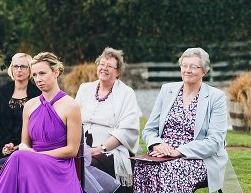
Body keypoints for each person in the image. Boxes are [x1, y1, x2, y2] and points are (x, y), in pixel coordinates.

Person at [134, 47, 229, 193]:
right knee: (142, 167)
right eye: (184, 66)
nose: (187, 70)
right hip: (163, 153)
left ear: (204, 71)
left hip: (198, 157)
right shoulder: (167, 90)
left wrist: (179, 151)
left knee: (169, 170)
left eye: (193, 67)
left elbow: (215, 141)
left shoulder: (216, 97)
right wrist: (157, 145)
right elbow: (149, 130)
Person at [0, 52, 83, 193]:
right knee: (17, 156)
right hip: (31, 163)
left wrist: (38, 155)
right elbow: (25, 144)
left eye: (42, 73)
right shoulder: (30, 105)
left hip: (58, 166)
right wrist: (20, 148)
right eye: (34, 75)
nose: (38, 79)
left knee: (17, 157)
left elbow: (72, 150)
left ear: (56, 72)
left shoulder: (71, 105)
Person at [75, 47, 141, 192]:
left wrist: (100, 149)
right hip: (81, 145)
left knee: (86, 166)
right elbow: (73, 119)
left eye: (109, 66)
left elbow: (126, 130)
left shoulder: (126, 93)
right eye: (102, 64)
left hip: (109, 149)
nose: (104, 68)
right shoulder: (84, 88)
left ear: (118, 72)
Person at [0, 52, 41, 177]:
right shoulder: (3, 92)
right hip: (3, 148)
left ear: (30, 69)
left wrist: (18, 145)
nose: (19, 70)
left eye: (23, 66)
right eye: (15, 66)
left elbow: (37, 126)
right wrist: (2, 147)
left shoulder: (37, 94)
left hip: (29, 148)